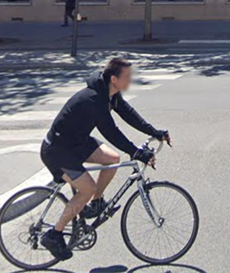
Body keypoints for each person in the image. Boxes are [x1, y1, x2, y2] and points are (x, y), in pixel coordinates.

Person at [39, 57, 170, 261]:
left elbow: (128, 114)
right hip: (58, 150)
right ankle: (54, 235)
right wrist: (136, 153)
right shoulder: (94, 99)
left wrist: (155, 132)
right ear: (114, 79)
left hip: (77, 143)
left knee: (112, 158)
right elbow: (111, 131)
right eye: (127, 77)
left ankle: (96, 203)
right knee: (87, 188)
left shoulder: (110, 93)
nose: (130, 81)